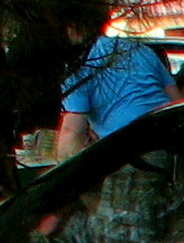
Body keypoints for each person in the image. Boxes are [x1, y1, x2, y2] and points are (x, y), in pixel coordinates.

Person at [57, 29, 173, 158]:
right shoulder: (140, 49)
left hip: (131, 151)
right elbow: (176, 99)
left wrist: (60, 165)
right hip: (170, 137)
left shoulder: (79, 66)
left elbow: (72, 132)